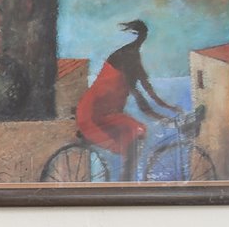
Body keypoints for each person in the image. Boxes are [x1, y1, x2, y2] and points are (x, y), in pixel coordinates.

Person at [75, 19, 177, 180]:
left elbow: (147, 88)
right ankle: (125, 182)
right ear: (143, 37)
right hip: (94, 114)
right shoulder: (127, 57)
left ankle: (125, 180)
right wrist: (162, 115)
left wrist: (168, 108)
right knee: (136, 134)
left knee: (134, 136)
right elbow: (140, 95)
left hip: (106, 113)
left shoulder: (131, 56)